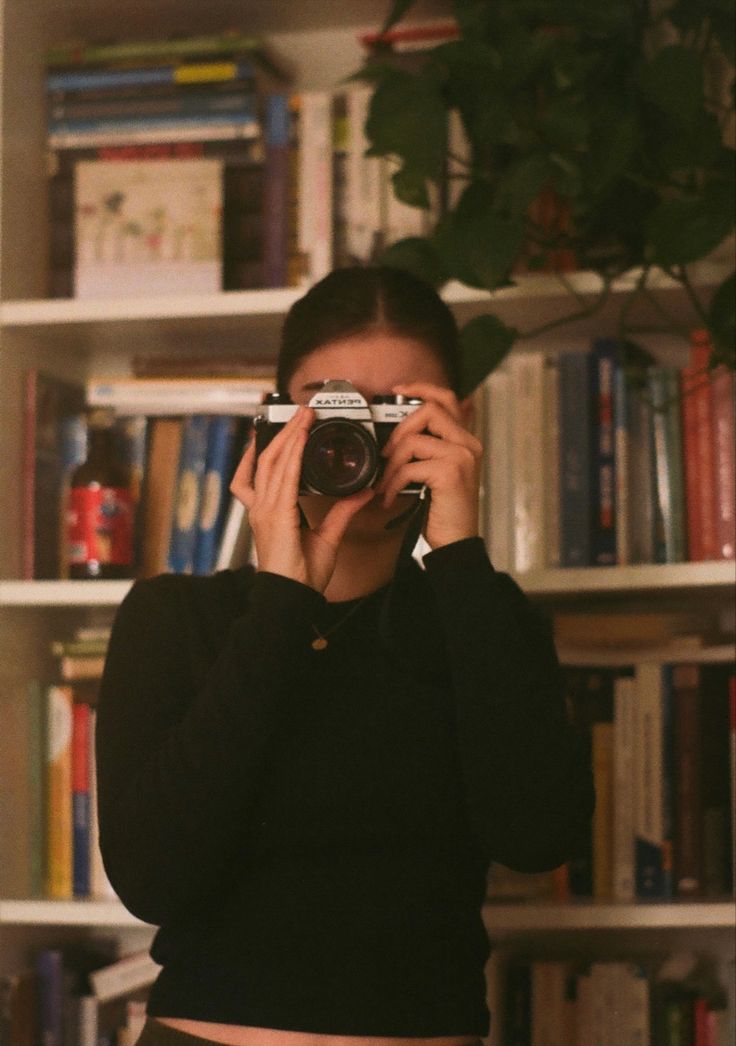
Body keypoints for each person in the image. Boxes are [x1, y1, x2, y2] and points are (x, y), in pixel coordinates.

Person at [96, 266, 594, 1046]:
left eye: (400, 412)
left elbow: (538, 837)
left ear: (459, 424)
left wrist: (459, 554)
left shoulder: (484, 622)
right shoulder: (177, 618)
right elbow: (153, 879)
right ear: (276, 421)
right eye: (335, 408)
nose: (362, 438)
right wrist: (281, 601)